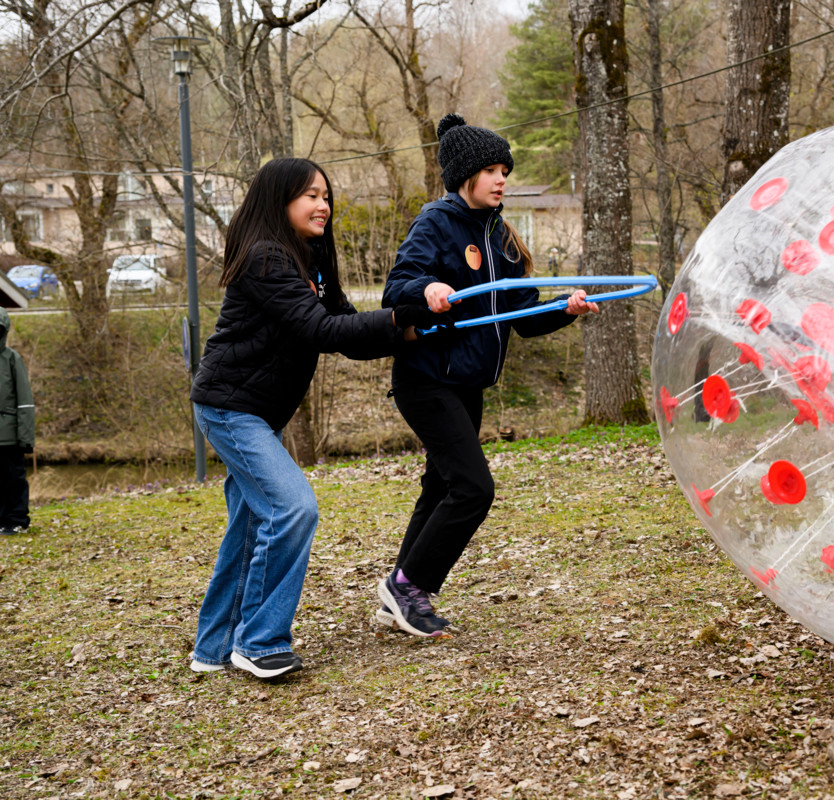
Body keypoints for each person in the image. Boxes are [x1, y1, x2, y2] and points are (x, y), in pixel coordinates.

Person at [189, 157, 437, 680]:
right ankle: (258, 642)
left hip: (260, 411)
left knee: (251, 525)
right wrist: (398, 317)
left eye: (326, 195)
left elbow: (344, 326)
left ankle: (212, 648)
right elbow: (319, 330)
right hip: (231, 407)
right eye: (310, 195)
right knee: (293, 509)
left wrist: (407, 330)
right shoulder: (265, 258)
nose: (323, 205)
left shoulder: (312, 258)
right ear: (280, 201)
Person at [376, 113, 598, 637]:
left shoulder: (502, 237)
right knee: (474, 489)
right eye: (491, 170)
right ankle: (411, 588)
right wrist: (427, 290)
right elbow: (398, 286)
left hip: (468, 382)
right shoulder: (436, 222)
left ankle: (399, 592)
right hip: (427, 378)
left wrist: (564, 309)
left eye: (505, 169)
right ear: (464, 176)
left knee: (441, 485)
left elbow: (520, 317)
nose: (502, 179)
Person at [0, 308, 34, 535]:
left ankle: (17, 520)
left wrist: (26, 437)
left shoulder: (12, 359)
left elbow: (24, 401)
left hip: (10, 434)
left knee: (14, 478)